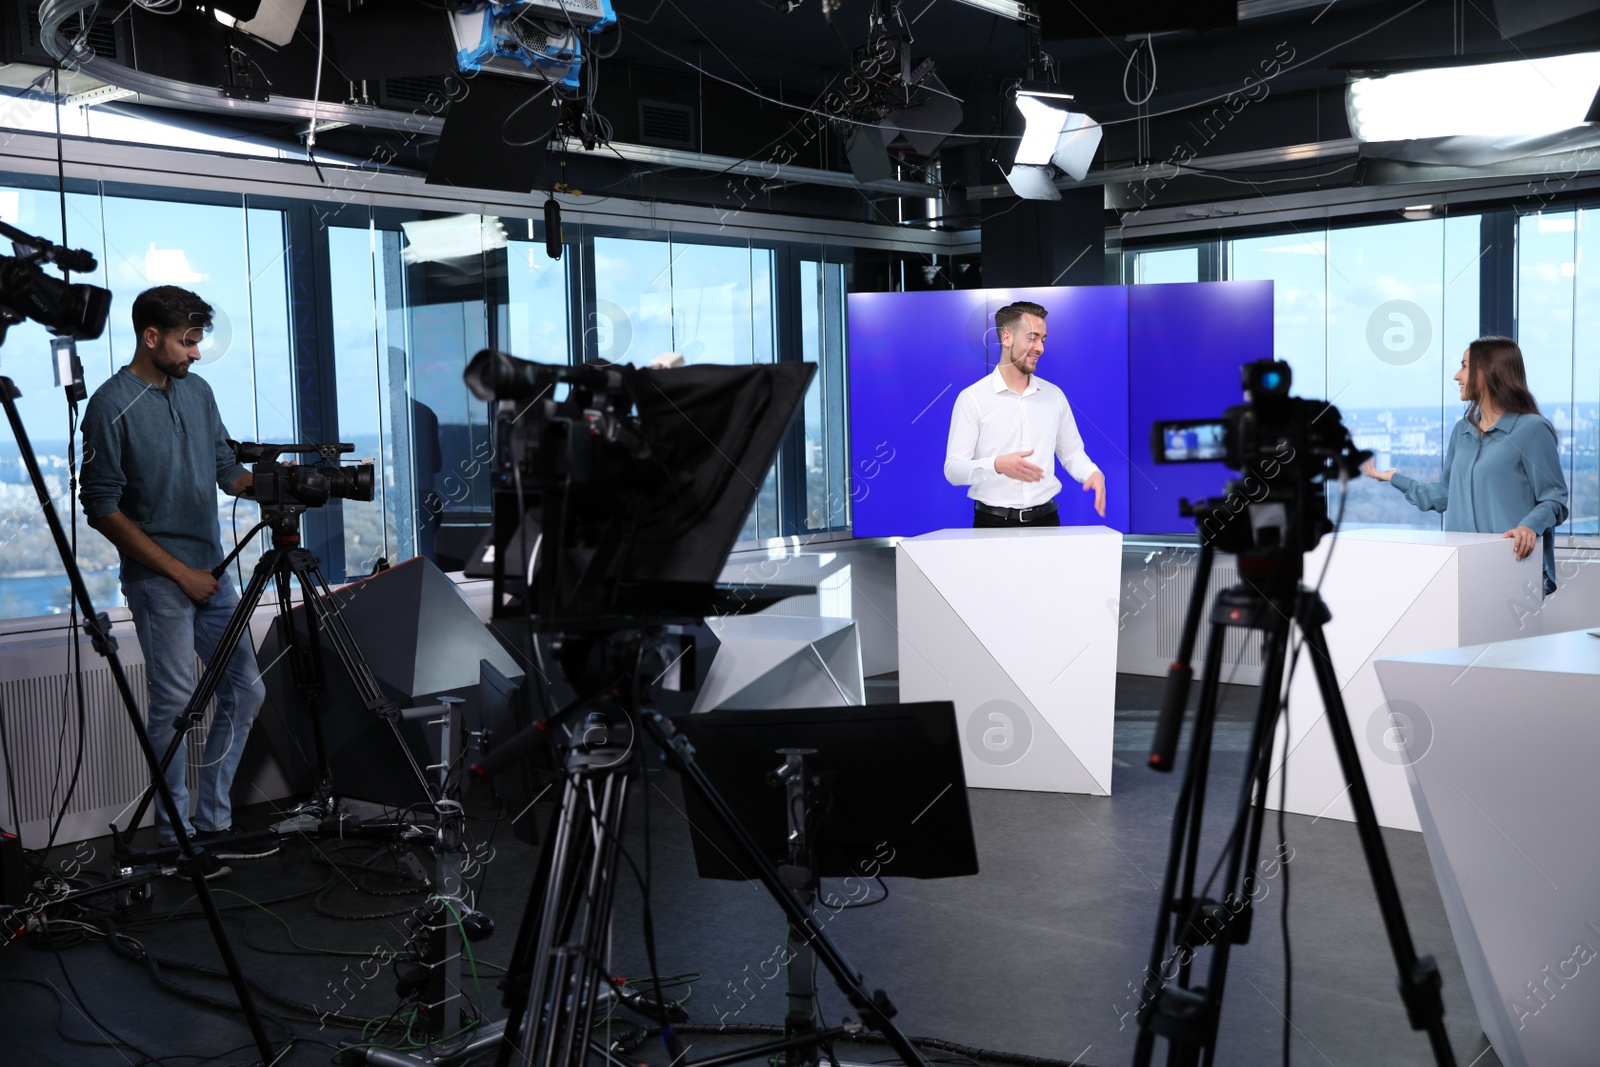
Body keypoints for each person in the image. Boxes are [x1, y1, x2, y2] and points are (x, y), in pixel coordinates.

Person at [80, 286, 267, 877]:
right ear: (151, 336)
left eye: (198, 342)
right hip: (161, 580)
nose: (194, 354)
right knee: (172, 706)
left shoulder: (199, 391)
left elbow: (225, 471)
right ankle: (175, 842)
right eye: (187, 342)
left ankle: (211, 822)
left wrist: (283, 486)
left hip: (211, 572)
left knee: (245, 690)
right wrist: (180, 573)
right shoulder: (111, 405)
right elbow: (101, 507)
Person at [1362, 335, 1568, 595]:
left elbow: (1554, 498)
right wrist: (1395, 478)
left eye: (1464, 366)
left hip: (1512, 566)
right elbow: (1447, 494)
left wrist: (1529, 526)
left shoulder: (1532, 429)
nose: (1456, 376)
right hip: (1462, 569)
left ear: (1489, 371)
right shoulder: (1462, 431)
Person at [944, 300, 1106, 527]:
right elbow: (953, 469)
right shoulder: (972, 398)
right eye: (1032, 338)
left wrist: (1092, 473)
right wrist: (997, 464)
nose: (1040, 347)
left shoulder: (1054, 395)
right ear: (1007, 338)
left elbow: (1072, 454)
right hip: (993, 525)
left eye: (1043, 339)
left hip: (1047, 522)